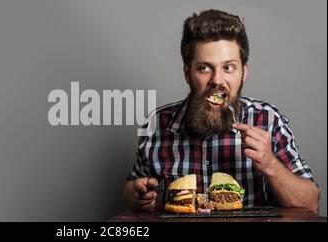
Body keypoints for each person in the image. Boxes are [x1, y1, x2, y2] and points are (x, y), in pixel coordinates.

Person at [124, 9, 320, 213]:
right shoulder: (156, 124)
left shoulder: (269, 121)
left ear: (243, 73)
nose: (217, 80)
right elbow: (133, 186)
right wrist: (137, 194)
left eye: (228, 68)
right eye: (204, 68)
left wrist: (270, 164)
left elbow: (311, 203)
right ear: (187, 74)